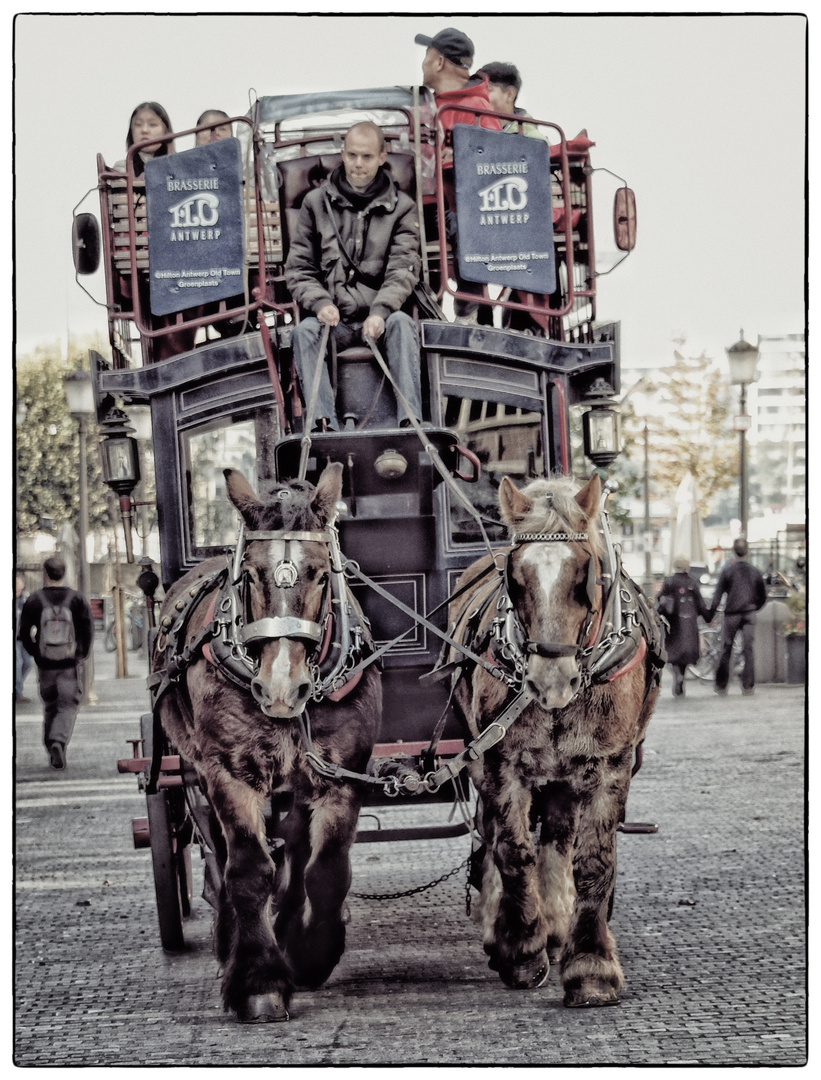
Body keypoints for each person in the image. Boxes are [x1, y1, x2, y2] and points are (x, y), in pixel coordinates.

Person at [284, 121, 424, 432]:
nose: (358, 164)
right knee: (304, 332)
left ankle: (410, 422)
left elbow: (403, 270)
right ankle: (323, 425)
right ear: (342, 154)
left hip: (381, 320)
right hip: (334, 321)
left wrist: (381, 312)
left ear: (382, 157)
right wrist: (320, 303)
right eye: (351, 155)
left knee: (402, 324)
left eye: (367, 157)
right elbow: (298, 268)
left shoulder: (403, 208)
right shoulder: (314, 203)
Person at [416, 28, 502, 323]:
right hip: (422, 208)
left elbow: (496, 162)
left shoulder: (477, 107)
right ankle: (419, 313)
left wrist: (459, 157)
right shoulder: (420, 107)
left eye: (427, 57)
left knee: (462, 221)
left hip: (460, 208)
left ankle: (468, 311)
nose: (423, 64)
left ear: (438, 61)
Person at [19, 556, 94, 771]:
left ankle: (50, 745)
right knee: (68, 704)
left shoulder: (35, 599)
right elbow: (87, 629)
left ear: (45, 573)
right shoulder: (76, 599)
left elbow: (24, 633)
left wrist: (37, 653)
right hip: (69, 663)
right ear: (64, 573)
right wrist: (81, 653)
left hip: (45, 665)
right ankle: (57, 741)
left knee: (50, 705)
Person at [707, 538, 767, 696]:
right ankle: (748, 685)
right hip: (749, 614)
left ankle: (721, 684)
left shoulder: (728, 570)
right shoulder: (754, 571)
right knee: (748, 650)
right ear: (748, 551)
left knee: (726, 648)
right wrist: (755, 607)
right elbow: (763, 595)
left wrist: (710, 615)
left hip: (731, 614)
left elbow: (717, 596)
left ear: (733, 551)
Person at [657, 556, 711, 698]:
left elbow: (660, 599)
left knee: (675, 653)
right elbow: (701, 604)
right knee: (686, 652)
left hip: (674, 622)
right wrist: (708, 617)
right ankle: (682, 674)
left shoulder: (670, 581)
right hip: (690, 622)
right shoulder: (692, 582)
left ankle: (678, 675)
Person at [474, 61, 550, 142]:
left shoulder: (535, 140)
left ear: (510, 94)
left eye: (488, 90)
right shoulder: (473, 129)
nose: (480, 96)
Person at [113, 102, 174, 176]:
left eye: (152, 124)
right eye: (138, 124)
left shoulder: (179, 167)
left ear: (165, 131)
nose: (144, 130)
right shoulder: (122, 168)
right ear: (131, 131)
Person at [16, 569, 33, 703]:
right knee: (17, 663)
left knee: (27, 663)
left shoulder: (26, 598)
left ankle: (16, 687)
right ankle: (17, 692)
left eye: (19, 581)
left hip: (23, 637)